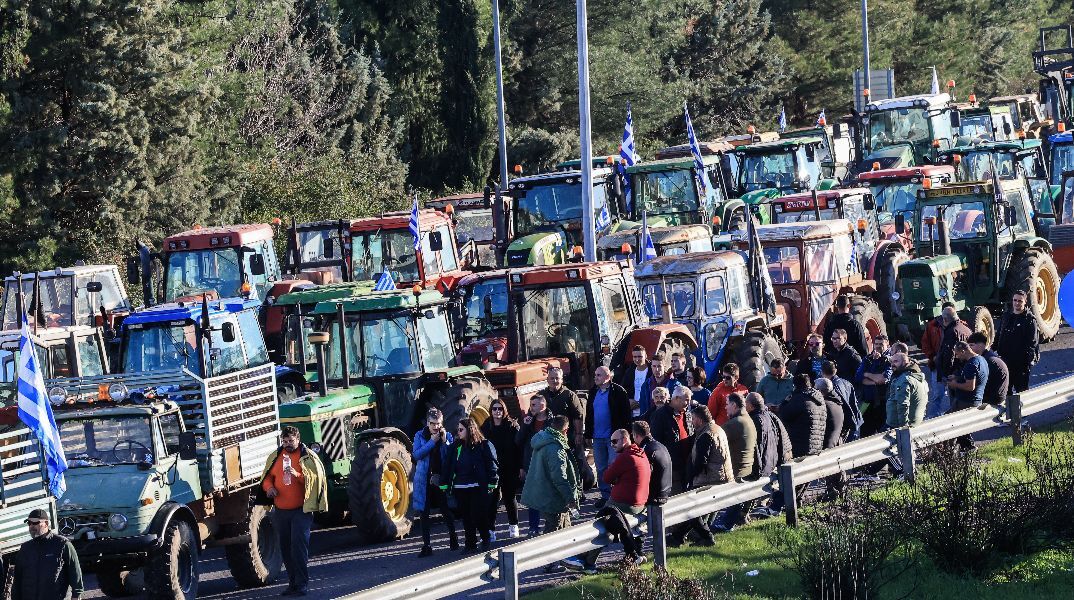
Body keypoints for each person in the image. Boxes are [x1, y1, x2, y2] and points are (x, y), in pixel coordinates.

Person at [562, 428, 651, 573]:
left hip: (624, 504)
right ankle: (634, 553)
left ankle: (587, 562)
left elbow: (606, 477)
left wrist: (616, 479)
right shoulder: (640, 453)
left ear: (625, 439)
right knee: (608, 522)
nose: (612, 445)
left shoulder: (625, 457)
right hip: (639, 505)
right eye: (611, 442)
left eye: (615, 441)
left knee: (600, 524)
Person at [260, 425, 328, 596]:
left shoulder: (307, 457)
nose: (288, 444)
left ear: (298, 439)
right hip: (281, 512)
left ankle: (302, 584)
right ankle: (293, 584)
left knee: (298, 547)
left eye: (291, 441)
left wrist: (297, 474)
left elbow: (314, 481)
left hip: (301, 511)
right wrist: (269, 488)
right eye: (284, 441)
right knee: (286, 547)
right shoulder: (276, 457)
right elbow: (266, 478)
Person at [668, 406, 732, 547]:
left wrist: (690, 479)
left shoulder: (706, 435)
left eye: (692, 418)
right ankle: (677, 537)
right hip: (720, 475)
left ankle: (707, 537)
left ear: (698, 419)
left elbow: (700, 462)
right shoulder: (717, 429)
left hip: (709, 478)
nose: (691, 422)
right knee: (695, 512)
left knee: (693, 510)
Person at [444, 417, 499, 552]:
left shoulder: (484, 445)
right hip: (460, 487)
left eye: (461, 429)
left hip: (477, 486)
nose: (459, 432)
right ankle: (470, 544)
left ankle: (485, 538)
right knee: (466, 517)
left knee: (477, 514)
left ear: (469, 430)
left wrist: (493, 482)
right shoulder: (455, 447)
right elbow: (448, 466)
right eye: (458, 429)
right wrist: (445, 484)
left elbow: (492, 464)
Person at [520, 415, 580, 537]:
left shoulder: (543, 438)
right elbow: (559, 478)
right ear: (566, 430)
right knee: (555, 535)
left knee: (561, 534)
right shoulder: (556, 449)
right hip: (555, 500)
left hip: (545, 496)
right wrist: (570, 499)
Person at [413, 408, 458, 557]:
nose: (435, 427)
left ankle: (453, 538)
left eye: (438, 424)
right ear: (427, 423)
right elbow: (417, 454)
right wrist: (432, 442)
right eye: (432, 423)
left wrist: (444, 442)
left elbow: (450, 456)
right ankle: (426, 546)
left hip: (440, 479)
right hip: (424, 480)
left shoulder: (448, 435)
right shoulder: (420, 435)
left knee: (445, 510)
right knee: (424, 513)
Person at [533, 367, 589, 488]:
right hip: (548, 439)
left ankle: (577, 491)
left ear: (562, 379)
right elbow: (534, 413)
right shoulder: (541, 395)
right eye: (552, 378)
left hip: (567, 438)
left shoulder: (569, 395)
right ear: (547, 379)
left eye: (557, 378)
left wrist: (579, 435)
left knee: (573, 465)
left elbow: (578, 416)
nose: (554, 380)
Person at [11, 508, 83, 600]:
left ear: (46, 524)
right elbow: (17, 581)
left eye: (36, 523)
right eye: (29, 523)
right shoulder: (25, 549)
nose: (32, 526)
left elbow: (75, 573)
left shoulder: (62, 545)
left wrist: (76, 595)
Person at [585, 366, 632, 506]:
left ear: (607, 377)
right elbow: (589, 414)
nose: (595, 377)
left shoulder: (618, 391)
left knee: (614, 466)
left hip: (614, 438)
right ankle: (605, 496)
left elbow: (626, 415)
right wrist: (588, 433)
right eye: (595, 375)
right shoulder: (593, 391)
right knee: (601, 467)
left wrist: (626, 435)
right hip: (598, 437)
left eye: (599, 375)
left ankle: (617, 495)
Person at [712, 393, 758, 531]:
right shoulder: (748, 419)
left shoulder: (736, 423)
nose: (725, 408)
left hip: (737, 470)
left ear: (734, 405)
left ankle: (723, 524)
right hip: (746, 468)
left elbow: (714, 439)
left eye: (727, 404)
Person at [745, 393, 793, 517]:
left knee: (766, 484)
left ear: (750, 405)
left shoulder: (756, 420)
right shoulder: (770, 415)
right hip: (781, 455)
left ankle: (762, 508)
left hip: (774, 458)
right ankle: (766, 507)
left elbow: (759, 447)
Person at [481, 400, 522, 540]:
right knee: (492, 500)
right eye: (494, 409)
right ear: (491, 411)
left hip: (509, 467)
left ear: (504, 410)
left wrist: (520, 467)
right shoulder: (486, 426)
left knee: (509, 498)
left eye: (500, 409)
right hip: (493, 469)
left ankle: (513, 526)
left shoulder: (512, 426)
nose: (497, 411)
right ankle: (491, 530)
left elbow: (519, 448)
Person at [517, 395, 554, 536]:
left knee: (548, 495)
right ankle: (533, 527)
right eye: (531, 404)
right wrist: (525, 425)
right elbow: (518, 442)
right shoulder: (529, 421)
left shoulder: (551, 421)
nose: (530, 407)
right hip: (531, 464)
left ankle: (551, 526)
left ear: (543, 406)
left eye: (534, 405)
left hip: (547, 463)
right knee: (533, 497)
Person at [928, 305, 972, 419]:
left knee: (955, 404)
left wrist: (946, 375)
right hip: (966, 370)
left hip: (955, 373)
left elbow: (949, 355)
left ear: (945, 319)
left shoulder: (951, 332)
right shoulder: (965, 328)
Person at [946, 341, 989, 450]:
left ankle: (966, 449)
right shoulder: (981, 359)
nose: (957, 356)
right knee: (961, 427)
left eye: (957, 354)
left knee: (952, 424)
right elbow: (975, 378)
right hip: (975, 399)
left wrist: (955, 384)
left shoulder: (971, 364)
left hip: (966, 401)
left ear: (963, 351)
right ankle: (965, 448)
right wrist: (958, 378)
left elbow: (970, 386)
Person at [649, 386, 693, 493]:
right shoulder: (660, 415)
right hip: (671, 466)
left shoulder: (687, 413)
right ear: (677, 398)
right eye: (686, 400)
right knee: (675, 496)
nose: (688, 403)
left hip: (687, 463)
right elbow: (655, 443)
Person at [994, 290, 1039, 393]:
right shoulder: (1006, 316)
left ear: (1025, 302)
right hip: (1005, 362)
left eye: (1020, 301)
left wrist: (1027, 363)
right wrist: (992, 350)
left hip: (1021, 365)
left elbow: (1033, 343)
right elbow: (999, 335)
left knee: (1022, 393)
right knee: (1005, 391)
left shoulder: (1030, 320)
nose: (1017, 303)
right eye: (1015, 300)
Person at [780, 374, 827, 458]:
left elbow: (784, 415)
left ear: (795, 385)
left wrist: (785, 402)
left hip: (800, 447)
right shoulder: (819, 398)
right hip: (817, 446)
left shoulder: (799, 398)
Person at [857, 336, 892, 437]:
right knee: (865, 435)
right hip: (867, 403)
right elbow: (858, 377)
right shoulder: (867, 359)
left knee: (884, 435)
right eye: (876, 344)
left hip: (883, 403)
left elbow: (883, 379)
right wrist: (875, 380)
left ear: (887, 345)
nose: (878, 346)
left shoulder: (890, 361)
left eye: (881, 344)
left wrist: (867, 375)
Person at [632, 420, 672, 509]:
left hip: (654, 497)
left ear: (636, 435)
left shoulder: (646, 450)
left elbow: (643, 475)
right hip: (666, 491)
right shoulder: (660, 445)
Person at [886, 352, 929, 428]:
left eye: (896, 361)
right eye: (891, 362)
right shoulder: (918, 375)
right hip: (916, 422)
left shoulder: (904, 380)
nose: (892, 364)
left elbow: (903, 405)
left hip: (898, 425)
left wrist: (903, 427)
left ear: (905, 362)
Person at [823, 361, 862, 440]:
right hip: (856, 421)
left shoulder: (831, 388)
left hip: (845, 426)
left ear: (822, 373)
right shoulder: (847, 382)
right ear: (835, 370)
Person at [971, 332, 1009, 406]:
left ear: (981, 345)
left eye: (971, 345)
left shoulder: (987, 360)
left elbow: (981, 382)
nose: (969, 348)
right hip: (995, 395)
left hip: (993, 399)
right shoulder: (988, 355)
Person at [639, 353, 682, 417]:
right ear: (651, 367)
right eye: (654, 366)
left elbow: (679, 406)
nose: (656, 369)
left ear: (664, 366)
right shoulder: (646, 385)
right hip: (651, 420)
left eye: (659, 366)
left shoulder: (674, 384)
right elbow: (643, 408)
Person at [615, 345, 651, 418]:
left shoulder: (651, 372)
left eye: (640, 356)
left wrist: (640, 403)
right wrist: (627, 400)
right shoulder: (630, 372)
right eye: (635, 357)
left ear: (645, 356)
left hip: (647, 411)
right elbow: (623, 389)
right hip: (633, 412)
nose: (637, 359)